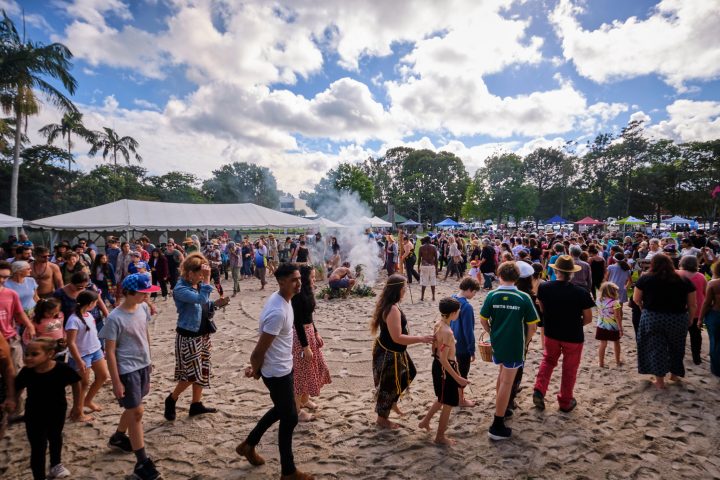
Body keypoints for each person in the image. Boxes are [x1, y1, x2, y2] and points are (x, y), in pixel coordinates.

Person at [237, 263, 314, 480]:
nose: (299, 283)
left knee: (282, 411)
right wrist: (256, 370)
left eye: (299, 278)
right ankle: (288, 471)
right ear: (281, 282)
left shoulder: (285, 300)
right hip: (276, 372)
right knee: (290, 418)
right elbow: (257, 352)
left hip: (283, 367)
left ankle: (248, 445)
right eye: (293, 280)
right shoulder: (278, 311)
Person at [101, 274, 162, 480]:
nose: (146, 296)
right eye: (142, 292)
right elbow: (109, 351)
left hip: (143, 366)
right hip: (126, 370)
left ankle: (119, 437)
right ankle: (142, 463)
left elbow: (145, 334)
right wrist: (116, 381)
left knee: (133, 406)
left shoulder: (143, 308)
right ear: (128, 292)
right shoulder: (114, 318)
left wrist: (149, 359)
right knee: (137, 411)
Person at [165, 254, 229, 421]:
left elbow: (204, 304)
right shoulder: (180, 289)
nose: (202, 277)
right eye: (200, 274)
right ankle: (171, 399)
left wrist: (215, 305)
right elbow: (200, 299)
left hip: (202, 334)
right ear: (189, 272)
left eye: (203, 274)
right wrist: (207, 280)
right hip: (188, 336)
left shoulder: (197, 285)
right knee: (191, 374)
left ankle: (196, 404)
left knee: (203, 371)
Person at [480, 262, 539, 440]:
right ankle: (497, 424)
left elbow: (483, 320)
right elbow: (533, 326)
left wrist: (493, 333)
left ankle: (503, 409)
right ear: (517, 277)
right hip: (514, 344)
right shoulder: (523, 297)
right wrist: (526, 341)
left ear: (499, 275)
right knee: (507, 382)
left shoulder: (492, 295)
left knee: (501, 376)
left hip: (498, 343)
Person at [370, 274, 433, 429]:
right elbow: (397, 337)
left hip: (395, 350)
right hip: (389, 353)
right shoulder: (392, 309)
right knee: (388, 385)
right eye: (404, 287)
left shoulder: (392, 305)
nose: (406, 290)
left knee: (410, 372)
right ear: (397, 289)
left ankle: (392, 402)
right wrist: (421, 338)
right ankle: (382, 419)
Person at [533, 255, 594, 412]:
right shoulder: (581, 292)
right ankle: (565, 401)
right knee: (570, 368)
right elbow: (588, 318)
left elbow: (542, 309)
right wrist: (573, 323)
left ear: (557, 271)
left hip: (551, 331)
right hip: (573, 335)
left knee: (548, 361)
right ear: (571, 273)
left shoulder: (544, 287)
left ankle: (539, 390)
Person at [15, 338, 82, 480]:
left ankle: (55, 464)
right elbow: (17, 388)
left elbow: (76, 383)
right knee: (38, 447)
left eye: (34, 354)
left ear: (50, 354)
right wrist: (11, 400)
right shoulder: (27, 372)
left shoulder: (62, 369)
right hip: (34, 414)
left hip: (57, 411)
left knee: (55, 437)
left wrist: (77, 406)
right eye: (26, 354)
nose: (28, 358)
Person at [633, 254, 696, 389]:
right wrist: (691, 318)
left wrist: (642, 307)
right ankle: (674, 374)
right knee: (677, 346)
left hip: (653, 317)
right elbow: (692, 304)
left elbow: (636, 298)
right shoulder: (684, 280)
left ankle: (660, 381)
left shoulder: (645, 278)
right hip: (678, 318)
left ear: (653, 264)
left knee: (656, 347)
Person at [418, 297, 467, 445]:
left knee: (441, 398)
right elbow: (444, 359)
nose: (459, 313)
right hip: (445, 369)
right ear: (453, 313)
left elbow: (435, 349)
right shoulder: (448, 332)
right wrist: (458, 378)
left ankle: (425, 421)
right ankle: (440, 437)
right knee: (448, 403)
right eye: (458, 311)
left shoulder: (438, 324)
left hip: (437, 365)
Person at [292, 265, 331, 422]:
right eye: (312, 277)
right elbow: (297, 321)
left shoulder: (308, 293)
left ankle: (304, 399)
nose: (315, 279)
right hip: (300, 336)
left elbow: (309, 316)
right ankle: (296, 410)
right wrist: (306, 346)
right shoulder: (297, 296)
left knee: (314, 367)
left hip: (309, 333)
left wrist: (316, 332)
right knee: (300, 372)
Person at [65, 290, 109, 419]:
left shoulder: (89, 315)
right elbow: (71, 342)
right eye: (96, 302)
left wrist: (101, 348)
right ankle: (78, 412)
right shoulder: (73, 320)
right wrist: (79, 360)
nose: (96, 304)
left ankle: (87, 401)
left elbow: (93, 334)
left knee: (102, 376)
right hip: (82, 355)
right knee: (82, 384)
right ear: (90, 303)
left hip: (95, 350)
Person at [0, 260, 35, 418]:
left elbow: (19, 313)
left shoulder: (10, 293)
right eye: (0, 276)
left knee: (17, 372)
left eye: (5, 277)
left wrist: (30, 325)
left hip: (10, 337)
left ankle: (17, 410)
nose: (2, 280)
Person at [450, 277, 480, 407]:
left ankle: (455, 396)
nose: (474, 295)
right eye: (474, 292)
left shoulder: (452, 298)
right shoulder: (466, 307)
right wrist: (472, 349)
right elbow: (469, 331)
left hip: (450, 342)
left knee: (453, 370)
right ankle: (461, 400)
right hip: (462, 345)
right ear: (468, 289)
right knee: (462, 372)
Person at [677, 255, 707, 365]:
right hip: (697, 309)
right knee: (696, 335)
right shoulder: (701, 276)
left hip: (680, 309)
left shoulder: (677, 274)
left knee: (680, 335)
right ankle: (696, 357)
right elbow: (705, 293)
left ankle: (679, 356)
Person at [595, 282, 624, 368]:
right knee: (616, 342)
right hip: (613, 326)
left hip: (601, 325)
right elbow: (617, 316)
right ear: (612, 292)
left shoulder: (598, 300)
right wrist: (620, 329)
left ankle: (601, 363)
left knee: (603, 344)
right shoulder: (615, 303)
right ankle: (618, 362)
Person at [699, 261, 720, 377]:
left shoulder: (713, 284)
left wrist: (700, 319)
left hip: (716, 314)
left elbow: (706, 303)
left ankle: (716, 369)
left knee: (715, 342)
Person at [418, 236, 438, 302]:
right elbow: (436, 259)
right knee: (433, 282)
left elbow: (419, 259)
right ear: (429, 240)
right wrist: (437, 268)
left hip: (424, 265)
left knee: (424, 282)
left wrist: (418, 267)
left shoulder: (421, 247)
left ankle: (422, 297)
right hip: (432, 265)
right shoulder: (433, 247)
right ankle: (433, 297)